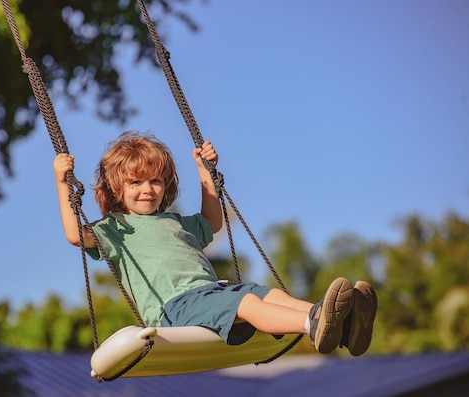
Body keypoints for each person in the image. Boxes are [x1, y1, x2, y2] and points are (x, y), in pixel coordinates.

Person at [53, 131, 377, 355]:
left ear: (165, 186)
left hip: (213, 293)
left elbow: (212, 222)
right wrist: (61, 181)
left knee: (269, 294)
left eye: (155, 181)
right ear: (116, 190)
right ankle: (312, 323)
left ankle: (343, 325)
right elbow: (75, 236)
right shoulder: (115, 228)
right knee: (249, 305)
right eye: (135, 182)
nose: (147, 189)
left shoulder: (174, 222)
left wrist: (204, 172)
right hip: (175, 309)